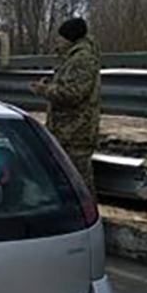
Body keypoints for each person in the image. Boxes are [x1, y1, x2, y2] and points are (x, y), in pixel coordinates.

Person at [30, 16, 101, 194]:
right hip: (69, 130)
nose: (57, 42)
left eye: (60, 38)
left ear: (70, 38)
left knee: (79, 182)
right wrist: (51, 85)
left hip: (75, 131)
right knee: (70, 179)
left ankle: (86, 217)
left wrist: (43, 90)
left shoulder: (82, 59)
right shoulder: (75, 57)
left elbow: (72, 94)